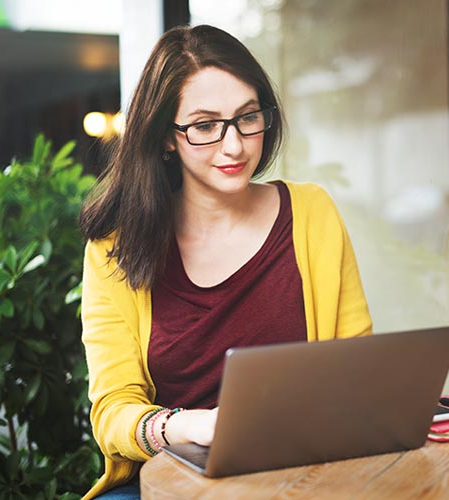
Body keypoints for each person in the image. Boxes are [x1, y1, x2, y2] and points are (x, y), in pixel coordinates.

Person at [78, 24, 372, 499]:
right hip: (175, 477)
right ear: (166, 138)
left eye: (247, 117)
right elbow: (113, 411)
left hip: (303, 470)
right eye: (204, 126)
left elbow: (358, 367)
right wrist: (188, 426)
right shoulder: (115, 247)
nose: (234, 146)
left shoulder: (312, 212)